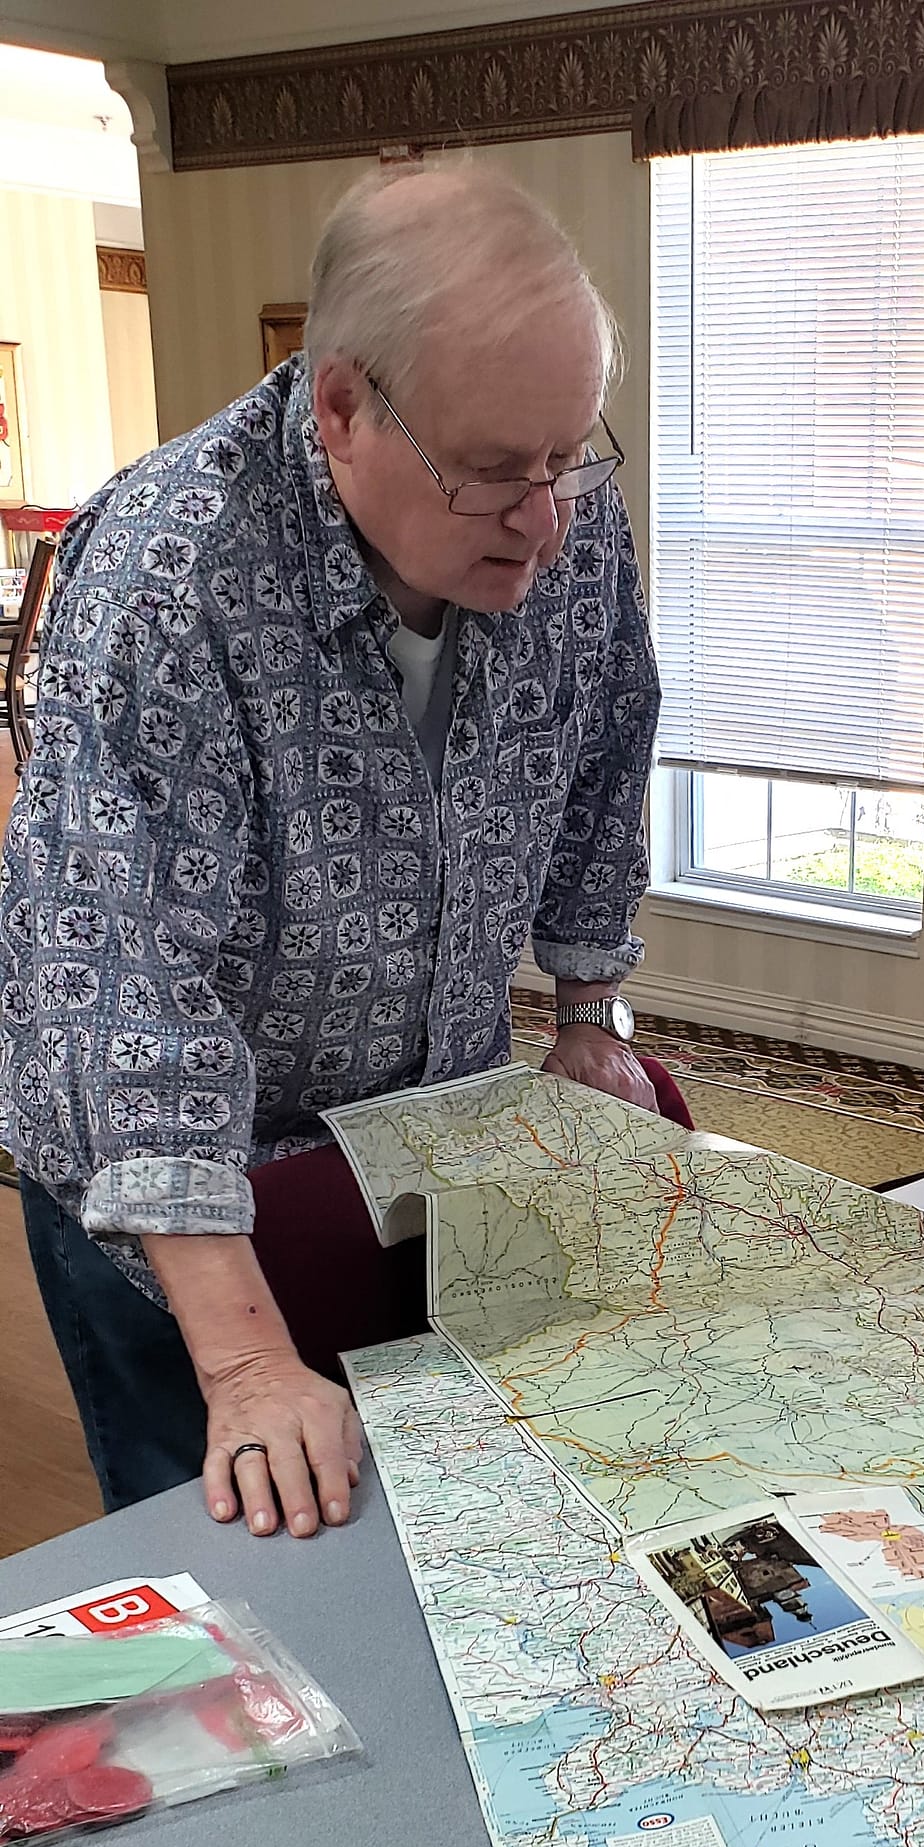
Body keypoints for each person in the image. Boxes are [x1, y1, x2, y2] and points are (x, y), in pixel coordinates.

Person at [0, 167, 671, 1538]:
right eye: (495, 473)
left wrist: (589, 1006)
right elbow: (130, 992)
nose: (545, 519)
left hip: (426, 1125)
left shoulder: (557, 507)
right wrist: (246, 1365)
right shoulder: (167, 575)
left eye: (566, 457)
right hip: (179, 1190)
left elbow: (604, 735)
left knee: (464, 1524)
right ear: (345, 403)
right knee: (243, 1564)